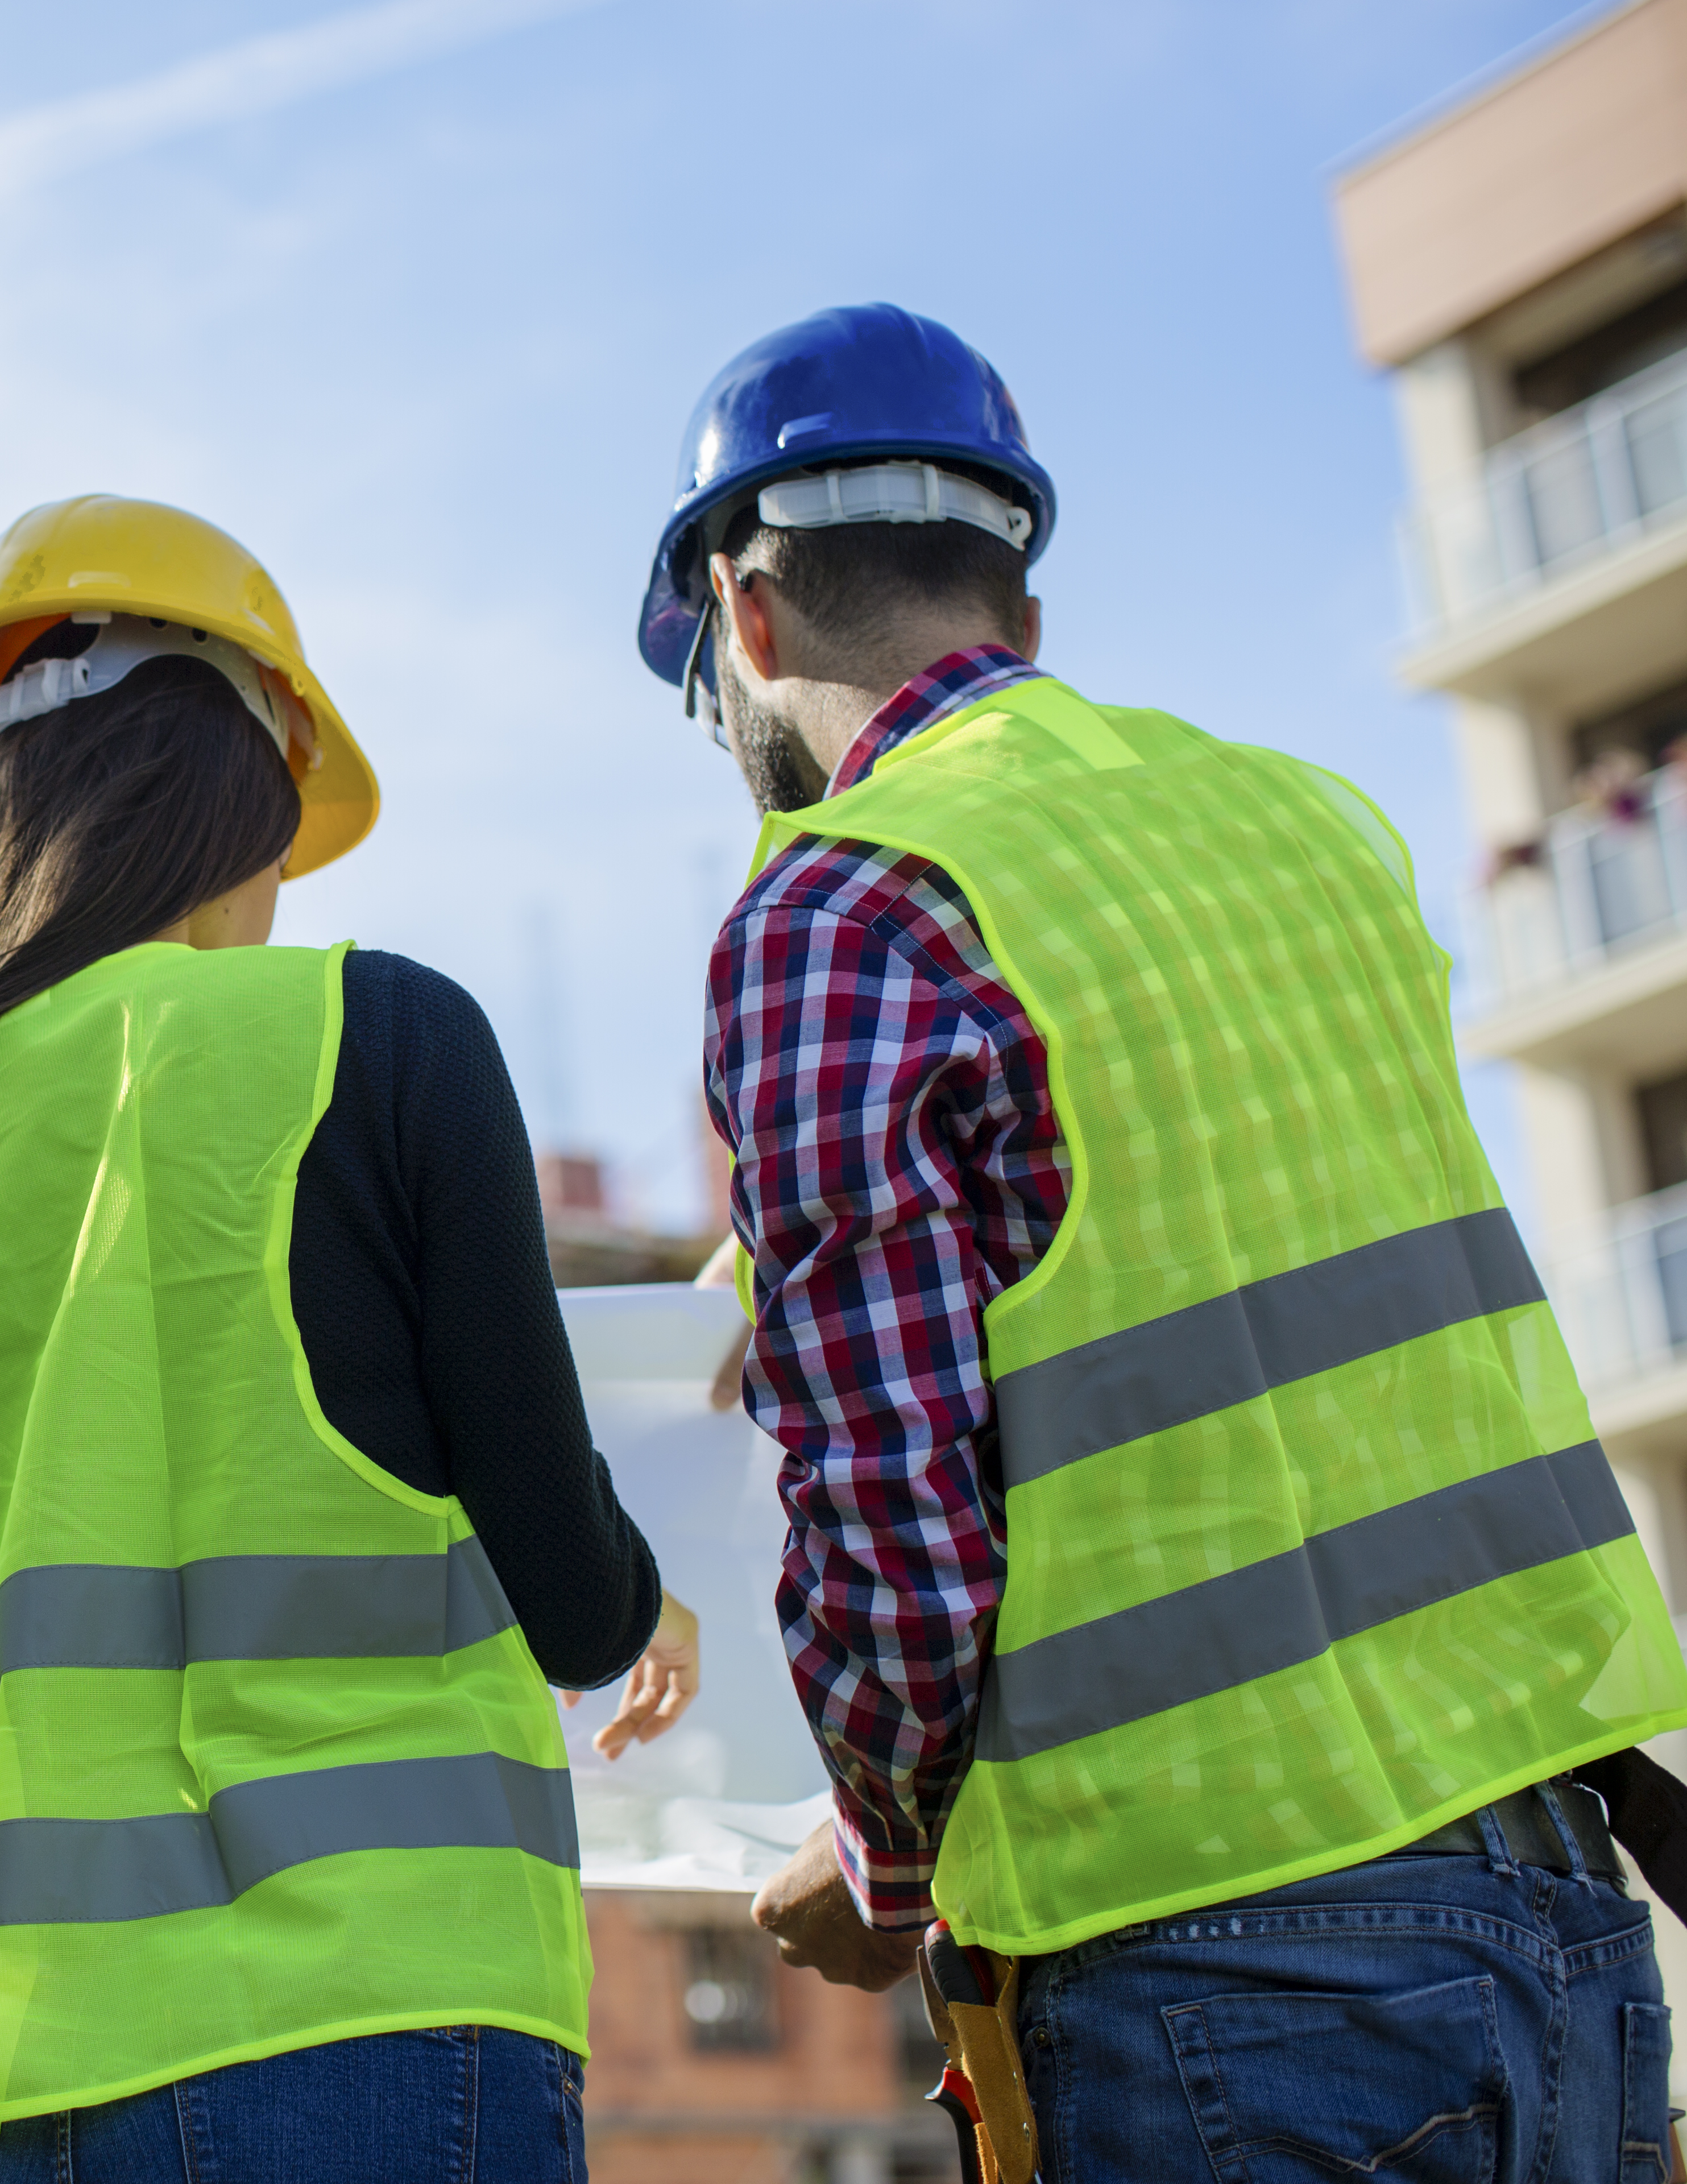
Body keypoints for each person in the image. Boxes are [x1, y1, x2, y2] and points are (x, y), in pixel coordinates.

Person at [645, 302, 1687, 2181]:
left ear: (745, 616)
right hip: (1566, 1898)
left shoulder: (840, 902)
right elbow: (1213, 1237)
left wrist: (883, 1857)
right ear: (1021, 610)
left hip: (1225, 1947)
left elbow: (891, 1508)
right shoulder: (1312, 823)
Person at [0, 493, 691, 2182]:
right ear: (245, 795)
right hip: (347, 2030)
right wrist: (644, 1595)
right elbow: (563, 1577)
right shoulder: (369, 1042)